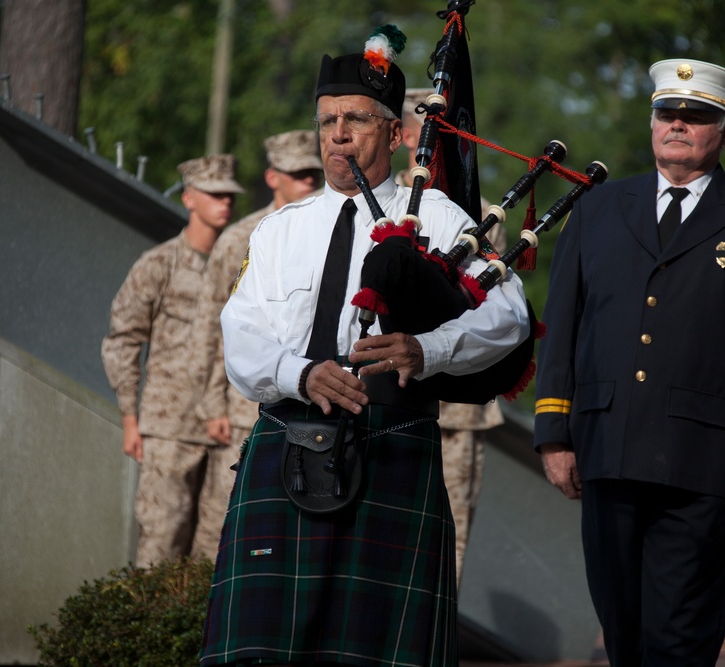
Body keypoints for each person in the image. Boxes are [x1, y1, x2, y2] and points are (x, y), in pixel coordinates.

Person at [199, 26, 530, 667]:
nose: (338, 134)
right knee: (264, 648)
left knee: (379, 650)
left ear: (397, 133)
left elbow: (510, 317)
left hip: (393, 442)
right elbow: (239, 335)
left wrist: (427, 351)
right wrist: (299, 375)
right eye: (327, 121)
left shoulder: (441, 220)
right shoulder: (278, 232)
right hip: (289, 437)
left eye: (355, 118)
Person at [533, 58, 725, 666]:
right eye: (667, 112)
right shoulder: (597, 208)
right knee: (622, 634)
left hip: (705, 467)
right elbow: (563, 332)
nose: (678, 123)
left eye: (698, 115)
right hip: (606, 449)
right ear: (652, 121)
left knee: (680, 640)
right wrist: (554, 432)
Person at [101, 154, 245, 567]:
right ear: (189, 200)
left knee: (214, 550)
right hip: (169, 426)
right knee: (161, 541)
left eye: (230, 197)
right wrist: (130, 416)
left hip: (226, 426)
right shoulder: (158, 265)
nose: (225, 204)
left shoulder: (244, 265)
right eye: (214, 195)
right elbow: (123, 341)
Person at [395, 87, 505, 587]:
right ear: (402, 137)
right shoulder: (383, 201)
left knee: (448, 539)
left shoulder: (480, 214)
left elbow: (488, 305)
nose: (435, 139)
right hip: (386, 396)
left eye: (444, 128)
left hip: (457, 410)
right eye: (426, 127)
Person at [193, 130, 323, 464]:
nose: (308, 181)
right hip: (243, 407)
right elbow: (209, 322)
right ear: (272, 177)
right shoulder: (242, 237)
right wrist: (212, 405)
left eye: (313, 173)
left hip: (305, 402)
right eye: (297, 174)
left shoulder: (329, 231)